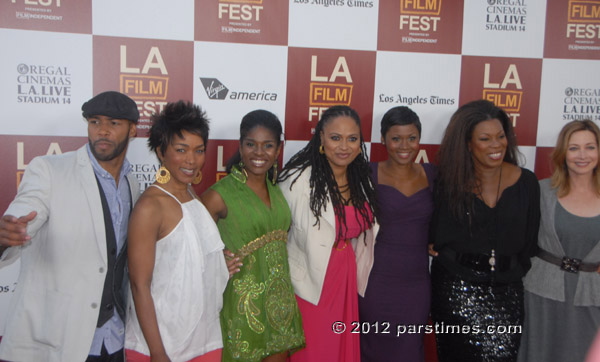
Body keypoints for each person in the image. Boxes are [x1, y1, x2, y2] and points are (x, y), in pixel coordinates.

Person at [0, 91, 140, 361]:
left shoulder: (132, 184)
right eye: (95, 122)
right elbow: (26, 211)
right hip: (60, 339)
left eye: (113, 123)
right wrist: (7, 235)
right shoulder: (49, 170)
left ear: (132, 130)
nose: (102, 131)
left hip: (114, 339)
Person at [429, 99, 540, 362]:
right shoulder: (447, 182)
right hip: (455, 291)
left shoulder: (527, 182)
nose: (496, 145)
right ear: (468, 144)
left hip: (507, 295)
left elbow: (529, 243)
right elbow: (435, 234)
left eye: (501, 136)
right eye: (485, 138)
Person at [124, 101, 229, 362]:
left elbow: (182, 258)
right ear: (161, 151)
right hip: (161, 344)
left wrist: (219, 263)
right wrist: (158, 353)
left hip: (204, 338)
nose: (191, 160)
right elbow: (139, 285)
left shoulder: (191, 194)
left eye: (199, 150)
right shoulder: (150, 206)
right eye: (181, 150)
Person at [200, 110, 305, 362]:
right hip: (241, 306)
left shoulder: (277, 190)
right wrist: (216, 263)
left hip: (280, 307)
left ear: (279, 149)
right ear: (240, 146)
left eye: (268, 145)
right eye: (251, 144)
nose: (259, 153)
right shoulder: (220, 194)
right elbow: (190, 249)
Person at [279, 105, 379, 362]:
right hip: (309, 285)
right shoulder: (296, 180)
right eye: (336, 138)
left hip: (345, 279)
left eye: (352, 139)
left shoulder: (362, 180)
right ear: (321, 138)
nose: (344, 146)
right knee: (314, 352)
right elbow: (275, 232)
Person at [518, 120, 600, 362]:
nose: (582, 155)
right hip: (541, 295)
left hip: (591, 298)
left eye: (590, 147)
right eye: (574, 148)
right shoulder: (541, 191)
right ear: (563, 153)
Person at [358, 106, 434, 362]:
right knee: (372, 350)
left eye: (412, 138)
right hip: (375, 282)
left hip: (416, 286)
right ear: (383, 139)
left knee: (409, 351)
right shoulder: (365, 173)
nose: (405, 145)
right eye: (396, 138)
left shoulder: (433, 175)